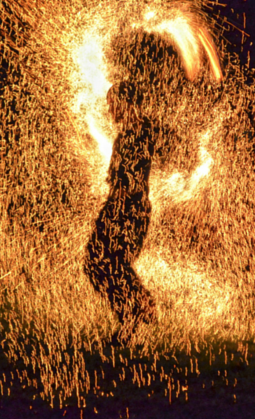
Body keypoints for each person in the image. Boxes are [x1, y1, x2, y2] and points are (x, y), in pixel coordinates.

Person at [85, 80, 157, 345]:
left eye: (113, 103)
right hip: (118, 207)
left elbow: (131, 177)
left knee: (110, 263)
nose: (110, 109)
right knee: (97, 262)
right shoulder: (127, 134)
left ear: (127, 103)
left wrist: (120, 208)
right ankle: (137, 305)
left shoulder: (142, 130)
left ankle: (134, 311)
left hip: (129, 209)